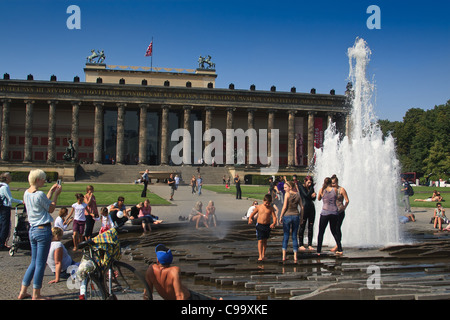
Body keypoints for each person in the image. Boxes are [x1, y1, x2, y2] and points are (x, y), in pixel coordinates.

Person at [18, 169, 62, 300]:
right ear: (37, 179)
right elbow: (51, 208)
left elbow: (41, 201)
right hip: (43, 231)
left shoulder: (26, 193)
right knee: (41, 264)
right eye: (43, 178)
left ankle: (23, 291)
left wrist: (51, 191)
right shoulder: (39, 194)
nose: (45, 180)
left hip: (32, 230)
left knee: (33, 262)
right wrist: (56, 195)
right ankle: (36, 295)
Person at [145, 244, 218, 300]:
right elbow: (180, 295)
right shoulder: (173, 271)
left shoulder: (151, 270)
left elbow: (147, 294)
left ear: (158, 260)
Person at [316, 177, 343, 256]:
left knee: (321, 232)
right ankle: (340, 248)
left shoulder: (322, 190)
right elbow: (336, 198)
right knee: (334, 231)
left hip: (325, 212)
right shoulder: (335, 190)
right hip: (334, 212)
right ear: (331, 182)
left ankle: (318, 250)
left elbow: (318, 199)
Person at [248, 194, 277, 261]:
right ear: (263, 201)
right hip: (260, 225)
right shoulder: (259, 207)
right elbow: (252, 214)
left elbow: (274, 217)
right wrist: (250, 219)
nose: (267, 204)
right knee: (260, 240)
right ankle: (260, 255)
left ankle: (263, 254)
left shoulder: (271, 208)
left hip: (267, 225)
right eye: (266, 203)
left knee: (265, 240)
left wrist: (274, 223)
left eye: (269, 203)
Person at [279, 181, 302, 262]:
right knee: (294, 236)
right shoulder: (298, 194)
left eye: (286, 187)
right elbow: (302, 207)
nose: (284, 189)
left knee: (286, 236)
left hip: (287, 216)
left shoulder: (287, 194)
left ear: (290, 187)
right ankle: (295, 256)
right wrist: (301, 217)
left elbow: (284, 207)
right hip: (296, 215)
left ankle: (284, 256)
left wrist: (281, 216)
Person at [0, 172, 24, 250]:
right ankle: (2, 244)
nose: (11, 177)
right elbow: (10, 199)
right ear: (6, 178)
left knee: (1, 225)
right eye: (9, 176)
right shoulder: (5, 187)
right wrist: (21, 201)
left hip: (1, 207)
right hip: (5, 208)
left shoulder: (1, 185)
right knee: (5, 226)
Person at [331, 174, 349, 253]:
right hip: (333, 212)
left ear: (337, 182)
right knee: (333, 229)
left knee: (337, 228)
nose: (333, 185)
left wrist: (344, 207)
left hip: (340, 212)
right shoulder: (330, 190)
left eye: (334, 183)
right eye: (331, 183)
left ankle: (338, 245)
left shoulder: (341, 190)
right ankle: (338, 244)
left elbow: (347, 200)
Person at [298, 176, 316, 251]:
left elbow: (313, 198)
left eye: (310, 182)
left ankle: (309, 244)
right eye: (308, 182)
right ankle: (301, 244)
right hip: (304, 208)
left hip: (311, 208)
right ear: (305, 181)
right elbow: (306, 195)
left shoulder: (311, 188)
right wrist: (311, 189)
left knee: (311, 226)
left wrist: (314, 195)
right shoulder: (301, 186)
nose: (309, 184)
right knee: (302, 225)